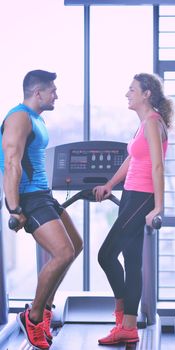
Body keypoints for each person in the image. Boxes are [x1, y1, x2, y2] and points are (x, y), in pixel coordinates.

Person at [0, 70, 83, 350]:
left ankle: (45, 307)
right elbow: (11, 163)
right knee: (63, 252)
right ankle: (33, 316)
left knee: (76, 245)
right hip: (29, 198)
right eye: (52, 90)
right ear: (38, 93)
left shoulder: (37, 118)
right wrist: (14, 208)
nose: (56, 94)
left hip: (43, 194)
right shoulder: (19, 117)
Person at [93, 73, 174, 345]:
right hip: (131, 194)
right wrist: (110, 185)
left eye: (132, 90)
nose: (127, 94)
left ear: (146, 94)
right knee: (132, 262)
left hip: (143, 197)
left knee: (105, 255)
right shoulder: (143, 124)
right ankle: (129, 326)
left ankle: (123, 317)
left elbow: (158, 166)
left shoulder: (152, 122)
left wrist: (158, 207)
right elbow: (132, 159)